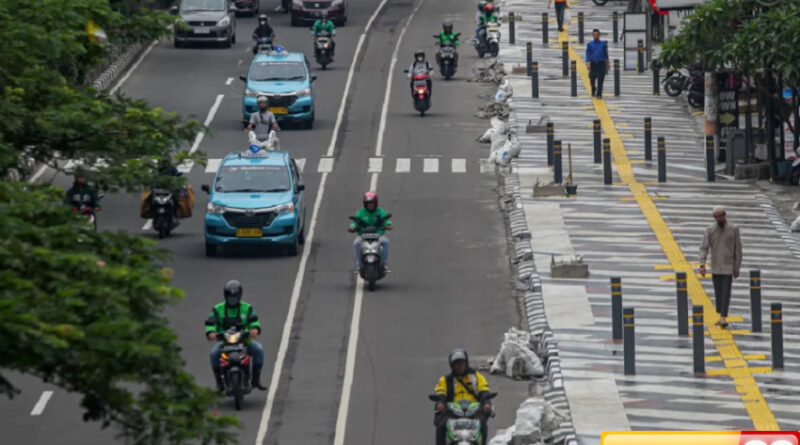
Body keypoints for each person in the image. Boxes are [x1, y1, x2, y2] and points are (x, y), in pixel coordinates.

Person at [205, 280, 266, 391]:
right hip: (224, 342)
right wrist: (211, 333)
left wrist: (254, 329)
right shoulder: (217, 309)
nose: (232, 300)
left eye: (234, 297)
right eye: (230, 298)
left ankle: (256, 380)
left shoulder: (247, 308)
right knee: (213, 354)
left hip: (244, 340)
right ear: (225, 296)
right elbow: (210, 323)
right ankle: (219, 383)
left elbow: (254, 321)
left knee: (259, 349)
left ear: (239, 296)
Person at [433, 349, 493, 445]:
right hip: (453, 412)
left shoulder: (476, 376)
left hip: (473, 411)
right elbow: (440, 393)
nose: (459, 366)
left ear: (466, 363)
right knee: (441, 426)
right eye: (456, 363)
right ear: (452, 365)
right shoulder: (445, 380)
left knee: (483, 425)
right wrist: (440, 403)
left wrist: (486, 403)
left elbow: (484, 390)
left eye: (461, 363)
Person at [699, 206, 743, 328]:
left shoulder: (733, 229)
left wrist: (737, 267)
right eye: (716, 217)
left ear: (725, 215)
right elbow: (704, 247)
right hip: (716, 267)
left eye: (721, 216)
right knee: (718, 293)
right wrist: (702, 264)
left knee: (725, 292)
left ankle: (723, 317)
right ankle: (721, 314)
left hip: (728, 267)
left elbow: (738, 249)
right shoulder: (710, 230)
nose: (719, 218)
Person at [348, 191, 392, 271]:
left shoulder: (381, 212)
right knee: (356, 243)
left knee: (386, 242)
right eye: (368, 203)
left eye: (372, 203)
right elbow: (355, 223)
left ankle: (384, 263)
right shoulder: (360, 213)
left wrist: (388, 226)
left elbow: (387, 222)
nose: (370, 205)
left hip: (378, 236)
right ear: (365, 204)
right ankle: (359, 265)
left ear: (375, 203)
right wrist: (352, 227)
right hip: (363, 237)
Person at [585, 29, 610, 99]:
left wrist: (608, 64)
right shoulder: (590, 44)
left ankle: (599, 94)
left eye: (597, 34)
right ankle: (593, 88)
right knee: (592, 79)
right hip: (593, 64)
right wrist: (588, 63)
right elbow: (588, 54)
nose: (596, 36)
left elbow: (606, 54)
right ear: (592, 35)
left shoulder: (603, 44)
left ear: (599, 35)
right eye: (594, 34)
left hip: (601, 64)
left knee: (600, 80)